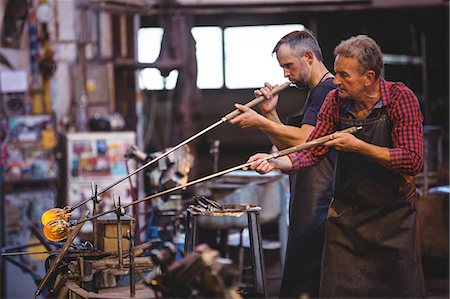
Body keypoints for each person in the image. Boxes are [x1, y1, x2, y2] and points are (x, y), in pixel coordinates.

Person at [247, 35, 427, 298]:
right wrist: (274, 163)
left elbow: (412, 159)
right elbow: (311, 152)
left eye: (344, 75)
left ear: (369, 77)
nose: (337, 80)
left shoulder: (400, 99)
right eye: (337, 71)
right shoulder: (335, 100)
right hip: (347, 222)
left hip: (393, 222)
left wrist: (359, 146)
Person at [229, 29, 336, 298]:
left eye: (288, 66)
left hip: (324, 200)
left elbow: (308, 139)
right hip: (308, 198)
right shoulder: (315, 92)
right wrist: (269, 113)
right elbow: (293, 149)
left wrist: (259, 122)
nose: (285, 74)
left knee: (307, 282)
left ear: (309, 57)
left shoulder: (327, 91)